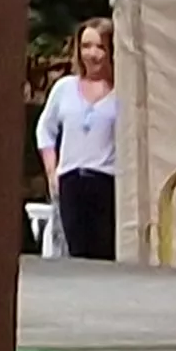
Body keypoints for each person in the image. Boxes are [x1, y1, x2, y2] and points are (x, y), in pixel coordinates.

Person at [39, 17, 123, 260]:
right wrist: (52, 171)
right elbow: (46, 129)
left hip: (106, 181)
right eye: (86, 46)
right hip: (71, 180)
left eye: (99, 47)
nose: (92, 54)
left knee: (103, 250)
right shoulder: (65, 88)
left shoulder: (121, 92)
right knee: (74, 250)